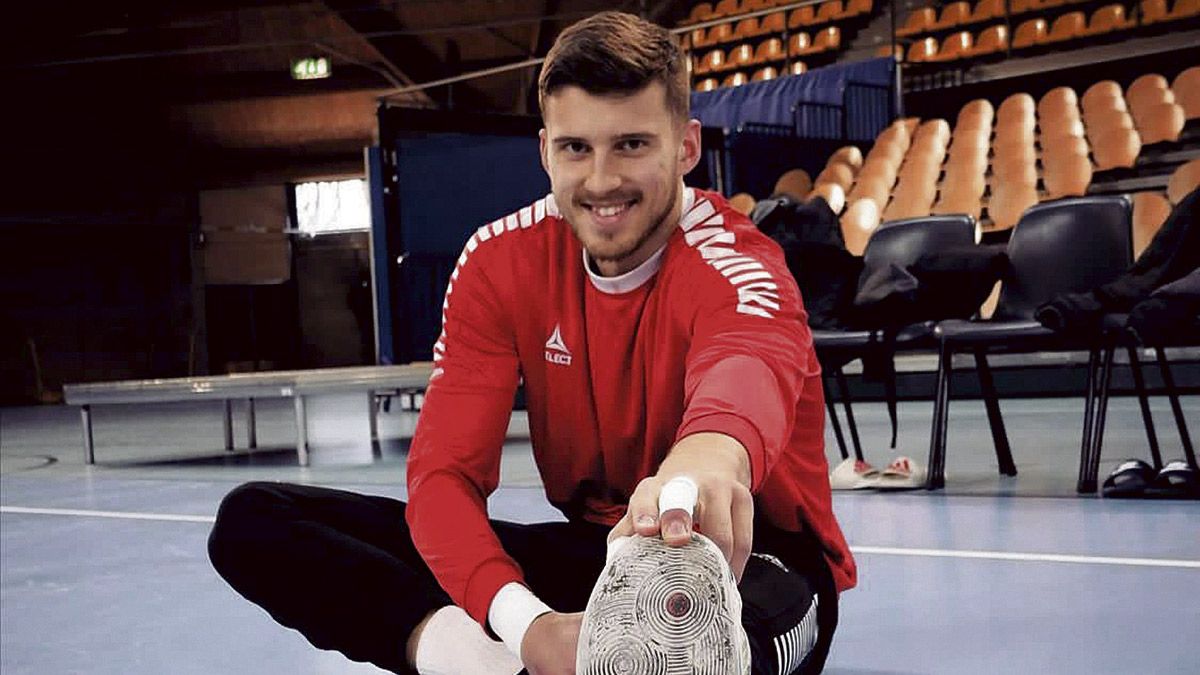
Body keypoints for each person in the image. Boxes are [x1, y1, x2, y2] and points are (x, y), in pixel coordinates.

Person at [208, 10, 856, 675]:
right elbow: (445, 475)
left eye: (632, 144)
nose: (602, 179)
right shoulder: (499, 260)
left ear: (686, 147)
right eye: (577, 148)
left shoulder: (738, 261)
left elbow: (744, 369)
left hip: (753, 561)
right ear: (546, 151)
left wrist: (707, 463)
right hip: (598, 557)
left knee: (692, 655)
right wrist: (527, 624)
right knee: (256, 521)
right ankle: (496, 665)